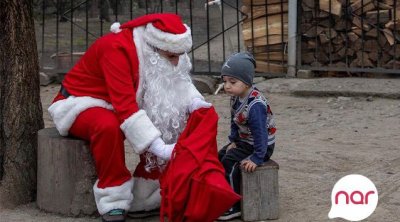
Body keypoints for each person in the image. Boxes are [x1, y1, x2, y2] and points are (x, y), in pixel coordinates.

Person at [48, 13, 211, 222]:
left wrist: (195, 102)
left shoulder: (167, 48)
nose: (177, 61)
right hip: (81, 101)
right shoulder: (115, 48)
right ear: (154, 47)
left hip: (119, 100)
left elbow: (177, 82)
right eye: (172, 56)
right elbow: (125, 106)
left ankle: (150, 188)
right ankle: (113, 197)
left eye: (180, 55)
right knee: (109, 127)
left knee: (167, 114)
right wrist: (160, 148)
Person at [217, 52, 276, 221]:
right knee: (220, 156)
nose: (227, 86)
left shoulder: (255, 105)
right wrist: (233, 141)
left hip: (260, 146)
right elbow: (235, 122)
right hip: (244, 141)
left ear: (247, 81)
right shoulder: (235, 98)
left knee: (231, 163)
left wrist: (257, 158)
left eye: (232, 82)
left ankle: (234, 205)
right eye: (225, 81)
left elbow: (261, 134)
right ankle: (223, 193)